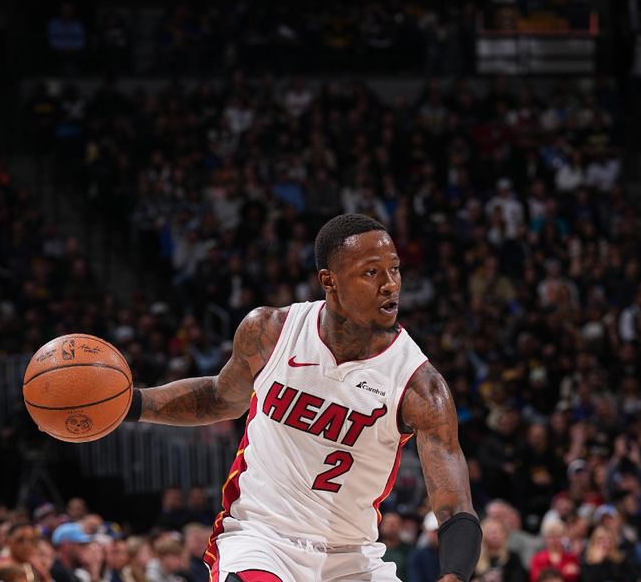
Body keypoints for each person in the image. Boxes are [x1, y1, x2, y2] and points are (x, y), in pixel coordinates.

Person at [122, 214, 482, 581]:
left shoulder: (421, 386)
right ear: (330, 281)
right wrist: (129, 405)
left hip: (352, 556)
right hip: (261, 539)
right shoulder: (271, 331)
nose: (390, 285)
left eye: (395, 269)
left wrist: (453, 575)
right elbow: (219, 397)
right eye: (371, 272)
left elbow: (454, 509)